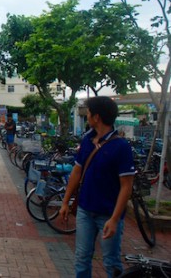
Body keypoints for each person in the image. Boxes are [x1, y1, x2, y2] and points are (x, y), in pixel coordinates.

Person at [59, 96, 134, 277]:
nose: (88, 115)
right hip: (85, 210)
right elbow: (77, 172)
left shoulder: (121, 147)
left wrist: (115, 219)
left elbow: (126, 186)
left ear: (97, 117)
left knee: (111, 262)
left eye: (89, 112)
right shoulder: (87, 140)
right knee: (82, 258)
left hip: (108, 214)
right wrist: (65, 202)